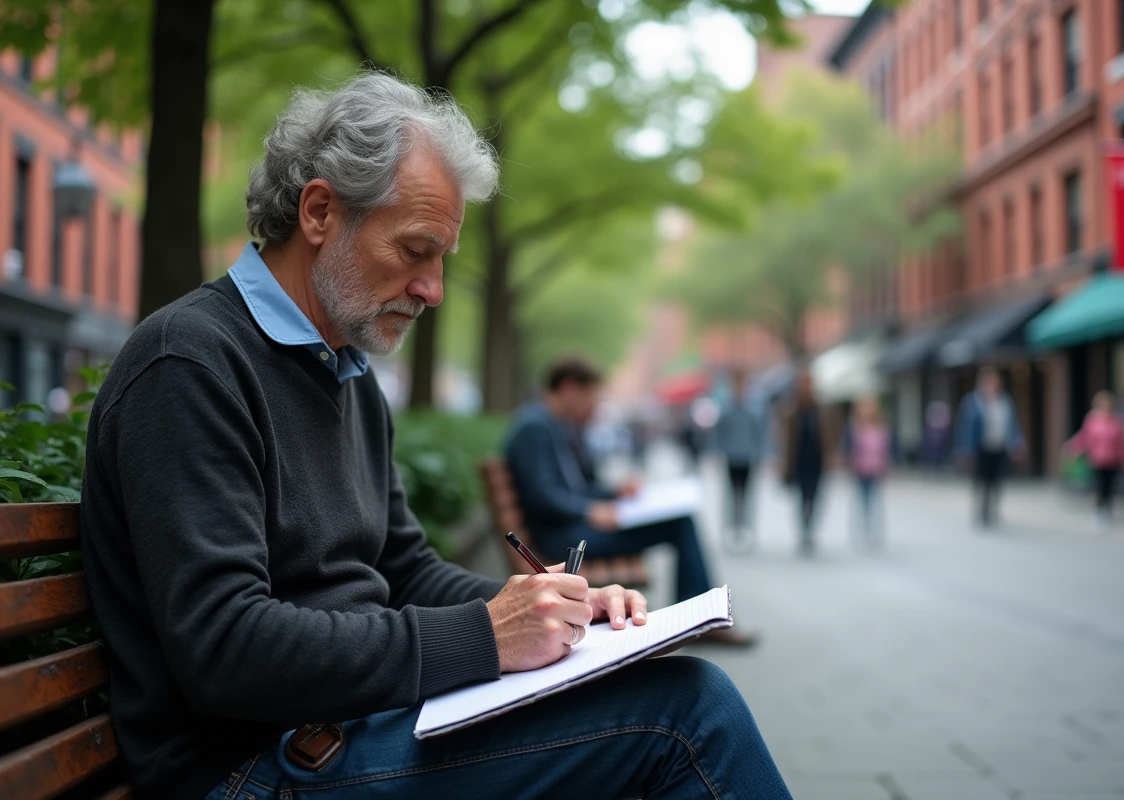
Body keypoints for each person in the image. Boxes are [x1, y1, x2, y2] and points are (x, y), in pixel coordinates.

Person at [78, 74, 787, 800]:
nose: (433, 289)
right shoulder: (189, 364)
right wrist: (484, 635)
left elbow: (405, 570)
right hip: (252, 768)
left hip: (348, 731)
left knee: (671, 694)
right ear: (320, 211)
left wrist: (555, 616)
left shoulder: (346, 377)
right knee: (687, 714)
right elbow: (225, 647)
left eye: (442, 258)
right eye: (417, 250)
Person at [505, 357, 755, 648]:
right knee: (680, 524)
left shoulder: (552, 424)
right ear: (570, 388)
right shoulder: (535, 427)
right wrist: (590, 511)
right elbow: (543, 496)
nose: (594, 408)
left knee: (679, 519)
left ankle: (700, 617)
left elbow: (575, 487)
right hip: (564, 539)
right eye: (591, 399)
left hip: (572, 527)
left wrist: (615, 494)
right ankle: (700, 619)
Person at [956, 367, 1026, 528]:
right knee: (981, 480)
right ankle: (981, 509)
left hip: (999, 446)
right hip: (981, 448)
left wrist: (1017, 443)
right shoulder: (973, 402)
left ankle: (993, 508)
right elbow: (965, 427)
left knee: (997, 479)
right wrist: (965, 450)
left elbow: (1012, 425)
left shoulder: (1004, 401)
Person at [712, 369, 768, 548]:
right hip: (731, 457)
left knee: (746, 495)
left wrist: (761, 454)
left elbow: (759, 434)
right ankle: (732, 528)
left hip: (748, 457)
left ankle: (745, 528)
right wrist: (717, 453)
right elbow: (718, 434)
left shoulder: (753, 409)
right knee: (731, 495)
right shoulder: (725, 408)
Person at [1065, 391, 1124, 531]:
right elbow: (1084, 437)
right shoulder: (1092, 419)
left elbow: (1122, 442)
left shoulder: (1117, 421)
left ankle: (1107, 511)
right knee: (1100, 487)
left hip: (1113, 460)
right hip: (1097, 460)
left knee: (1109, 488)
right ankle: (1098, 513)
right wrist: (1073, 448)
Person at [779, 370, 825, 555]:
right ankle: (803, 529)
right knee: (801, 496)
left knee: (813, 496)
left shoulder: (819, 409)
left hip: (816, 460)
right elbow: (785, 438)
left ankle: (809, 527)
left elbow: (829, 433)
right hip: (797, 460)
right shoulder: (792, 410)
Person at [845, 396, 892, 546]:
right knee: (862, 500)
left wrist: (887, 465)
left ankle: (874, 530)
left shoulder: (881, 427)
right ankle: (862, 529)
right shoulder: (855, 427)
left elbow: (886, 448)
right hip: (860, 469)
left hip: (876, 469)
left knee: (874, 500)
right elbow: (849, 449)